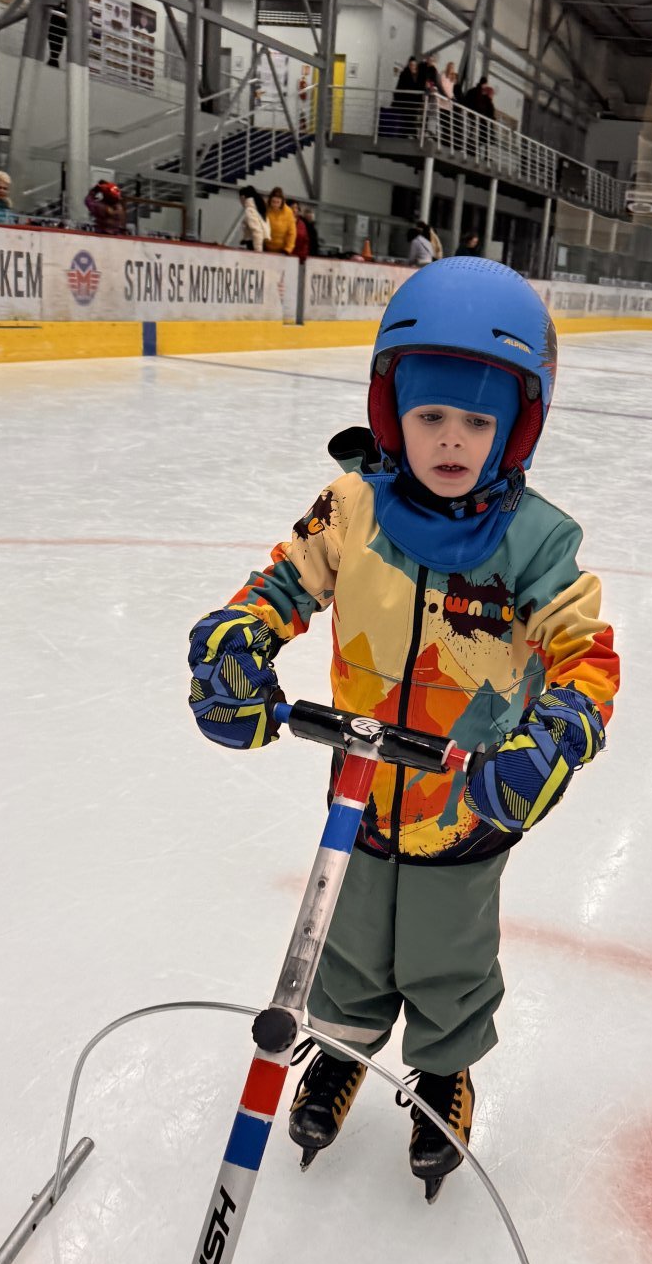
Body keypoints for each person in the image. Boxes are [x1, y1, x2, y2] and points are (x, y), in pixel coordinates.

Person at [186, 259, 618, 1197]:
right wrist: (239, 640)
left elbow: (584, 653)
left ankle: (444, 1068)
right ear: (392, 412)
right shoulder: (352, 508)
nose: (452, 439)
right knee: (345, 934)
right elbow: (284, 581)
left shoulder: (537, 542)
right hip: (358, 786)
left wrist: (555, 734)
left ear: (517, 427)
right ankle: (343, 1049)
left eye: (478, 422)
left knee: (445, 950)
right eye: (431, 416)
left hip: (465, 798)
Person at [264, 186, 297, 254]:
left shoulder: (288, 212)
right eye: (273, 202)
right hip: (266, 247)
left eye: (278, 202)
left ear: (282, 202)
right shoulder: (265, 209)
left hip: (282, 250)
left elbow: (292, 233)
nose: (275, 204)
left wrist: (288, 249)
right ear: (270, 201)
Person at [234, 186, 267, 251]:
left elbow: (257, 231)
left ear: (243, 197)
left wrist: (258, 250)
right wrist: (245, 238)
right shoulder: (257, 208)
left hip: (255, 244)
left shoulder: (250, 210)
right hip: (257, 242)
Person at [47, 0, 68, 67]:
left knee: (56, 41)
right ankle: (53, 58)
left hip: (59, 21)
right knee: (55, 40)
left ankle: (54, 58)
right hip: (57, 20)